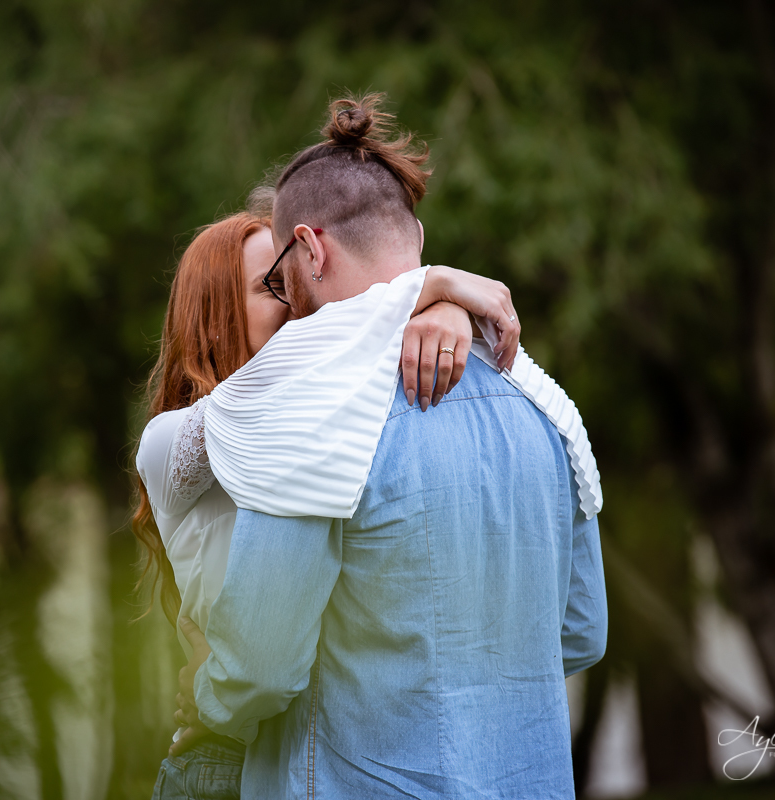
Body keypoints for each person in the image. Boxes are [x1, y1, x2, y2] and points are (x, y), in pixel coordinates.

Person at [172, 93, 607, 799]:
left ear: (310, 247)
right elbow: (583, 632)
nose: (287, 307)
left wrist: (208, 702)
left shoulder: (316, 410)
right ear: (418, 236)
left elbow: (263, 664)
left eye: (281, 281)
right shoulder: (543, 408)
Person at [135, 206, 522, 796]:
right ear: (212, 321)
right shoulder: (172, 443)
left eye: (298, 282)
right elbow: (297, 373)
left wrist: (441, 314)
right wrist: (431, 287)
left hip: (321, 760)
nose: (300, 304)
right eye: (273, 288)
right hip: (222, 766)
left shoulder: (326, 417)